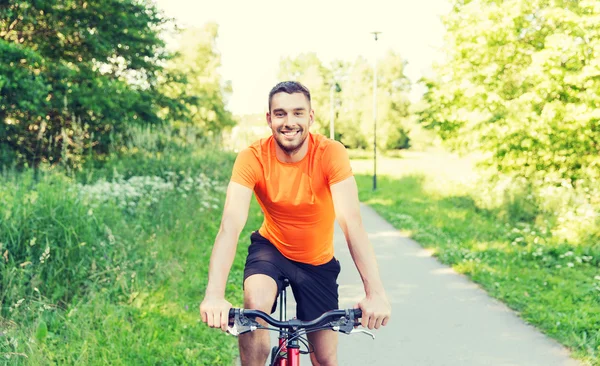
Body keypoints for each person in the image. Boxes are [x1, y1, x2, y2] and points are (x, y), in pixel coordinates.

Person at [199, 81, 391, 366]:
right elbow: (230, 224)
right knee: (254, 308)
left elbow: (352, 223)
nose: (289, 122)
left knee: (325, 358)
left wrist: (375, 293)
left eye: (298, 113)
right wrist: (214, 295)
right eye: (280, 114)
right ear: (269, 119)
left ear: (310, 117)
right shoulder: (252, 157)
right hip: (271, 251)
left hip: (317, 262)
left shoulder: (330, 153)